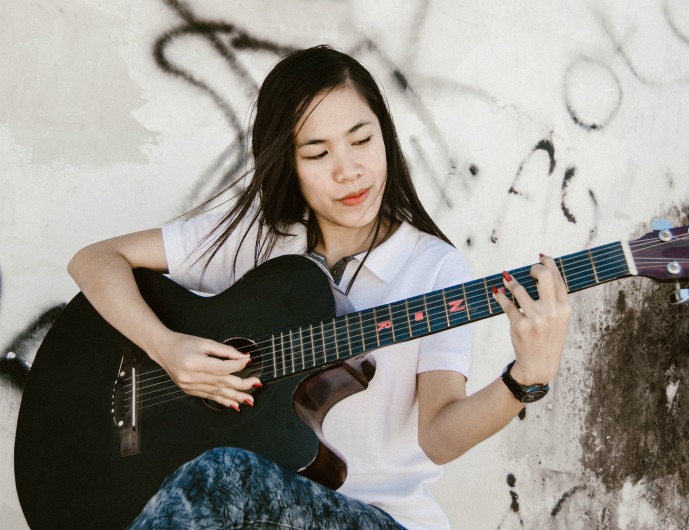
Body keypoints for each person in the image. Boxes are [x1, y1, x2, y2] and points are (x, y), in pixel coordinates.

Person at [67, 45, 571, 530]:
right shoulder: (256, 240)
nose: (348, 170)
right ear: (288, 163)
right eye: (317, 152)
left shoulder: (434, 268)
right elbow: (94, 261)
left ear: (386, 137)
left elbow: (438, 437)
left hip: (382, 519)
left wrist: (525, 378)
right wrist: (168, 348)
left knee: (224, 473)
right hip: (255, 517)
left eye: (361, 140)